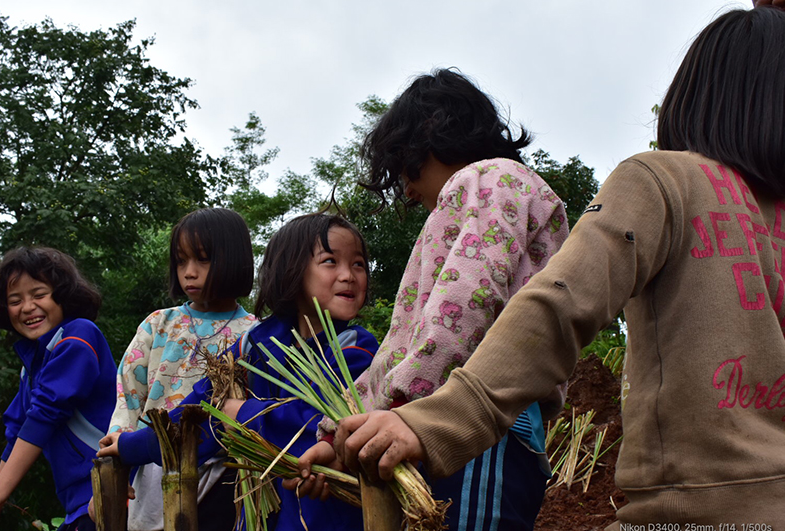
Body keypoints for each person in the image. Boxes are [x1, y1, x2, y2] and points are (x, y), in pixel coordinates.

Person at [326, 7, 785, 529]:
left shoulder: (662, 182)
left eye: (406, 168)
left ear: (697, 95)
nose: (408, 190)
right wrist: (348, 426)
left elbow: (552, 304)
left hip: (667, 503)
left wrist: (426, 420)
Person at [290, 69, 569, 530]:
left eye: (403, 165)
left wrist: (389, 410)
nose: (405, 187)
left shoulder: (492, 180)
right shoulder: (483, 193)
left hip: (479, 427)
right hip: (449, 424)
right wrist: (338, 431)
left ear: (432, 135)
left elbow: (461, 317)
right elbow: (408, 342)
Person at [99, 213, 379, 531]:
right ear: (292, 270)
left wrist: (241, 412)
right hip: (258, 517)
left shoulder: (356, 349)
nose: (349, 275)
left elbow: (321, 425)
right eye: (331, 261)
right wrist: (132, 446)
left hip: (325, 518)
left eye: (358, 264)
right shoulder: (254, 345)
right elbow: (199, 413)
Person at [103, 207, 256, 531]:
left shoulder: (253, 334)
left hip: (225, 479)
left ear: (234, 259)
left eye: (202, 259)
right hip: (153, 465)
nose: (189, 272)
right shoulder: (158, 325)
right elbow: (130, 393)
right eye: (181, 260)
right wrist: (115, 463)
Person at [0, 247, 116, 531]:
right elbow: (17, 432)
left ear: (63, 295)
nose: (27, 307)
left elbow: (45, 415)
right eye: (15, 300)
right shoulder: (33, 367)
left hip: (115, 489)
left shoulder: (78, 337)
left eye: (39, 295)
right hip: (79, 503)